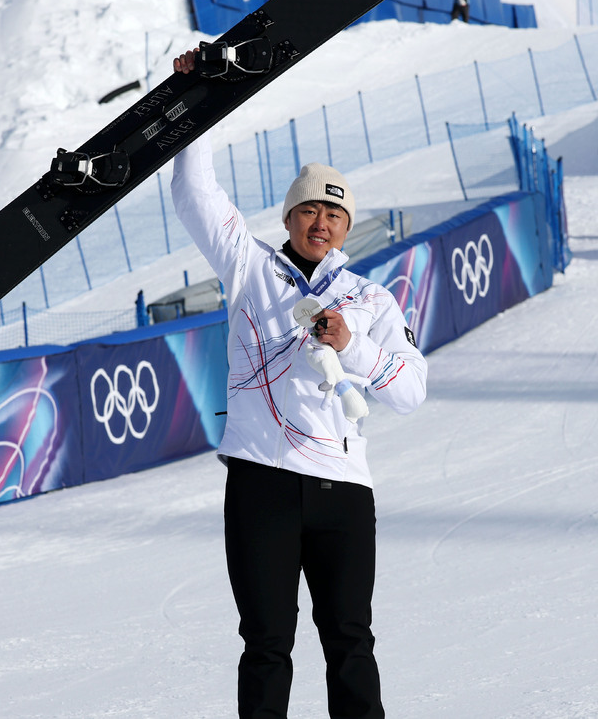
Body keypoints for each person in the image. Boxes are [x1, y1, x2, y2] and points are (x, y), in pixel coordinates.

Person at [170, 49, 428, 719]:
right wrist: (197, 102)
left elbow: (411, 391)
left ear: (347, 228)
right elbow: (196, 197)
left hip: (344, 493)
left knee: (349, 643)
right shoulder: (249, 268)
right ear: (288, 219)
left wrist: (357, 349)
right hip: (262, 480)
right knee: (266, 646)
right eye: (309, 211)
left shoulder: (370, 298)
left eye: (334, 216)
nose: (321, 223)